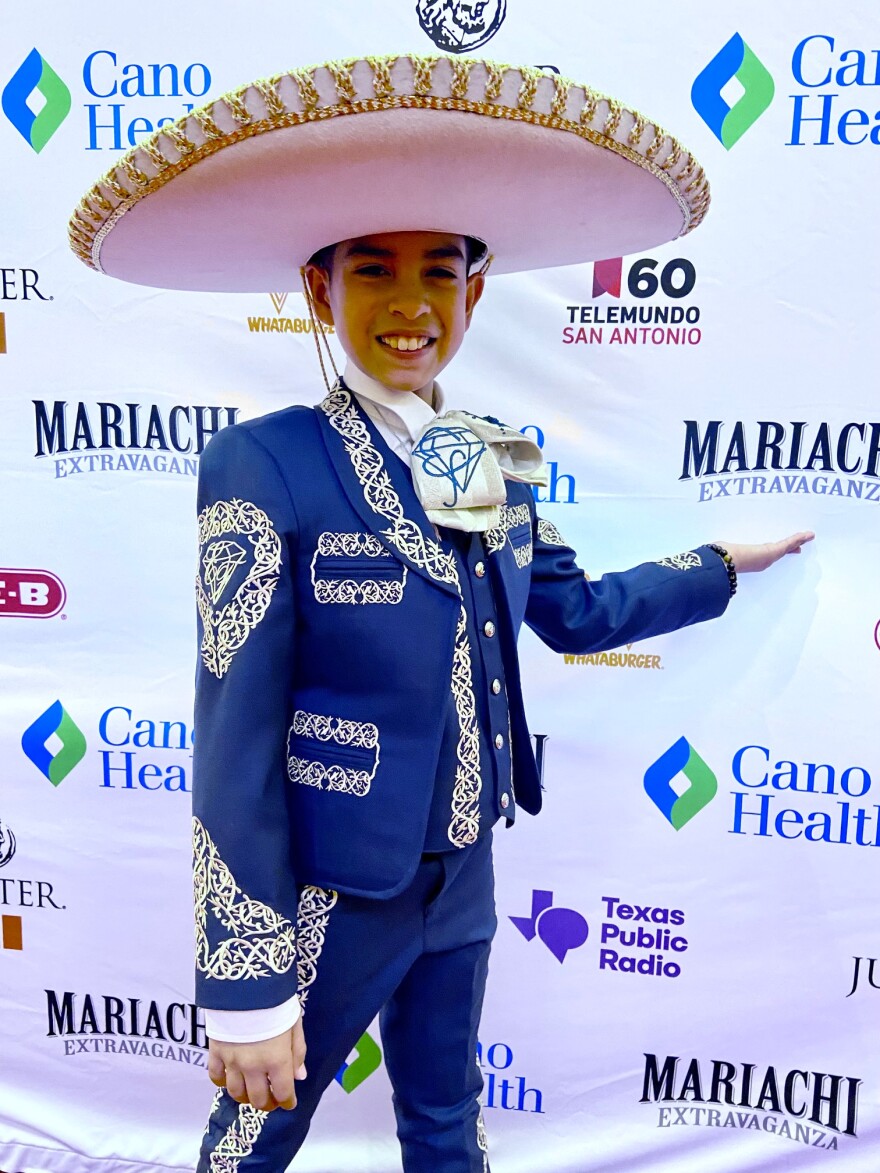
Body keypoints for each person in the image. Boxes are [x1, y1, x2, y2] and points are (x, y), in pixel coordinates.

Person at [68, 55, 812, 1172]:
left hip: (463, 872)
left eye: (438, 270)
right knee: (252, 1141)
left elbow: (570, 611)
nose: (410, 302)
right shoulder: (262, 461)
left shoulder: (494, 456)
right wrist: (246, 982)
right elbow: (230, 736)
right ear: (320, 292)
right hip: (331, 886)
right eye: (373, 271)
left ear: (473, 290)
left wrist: (714, 564)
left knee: (447, 1124)